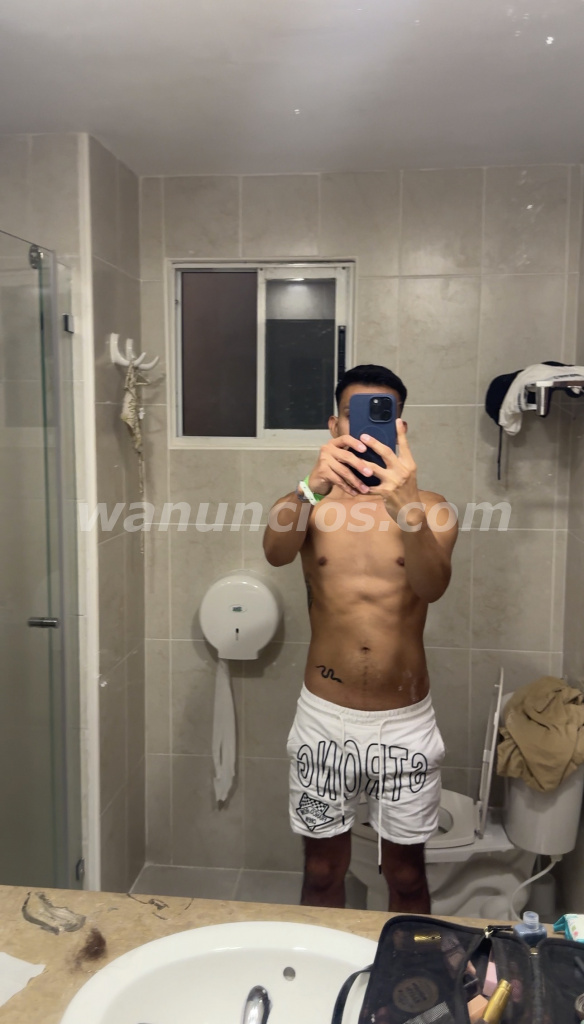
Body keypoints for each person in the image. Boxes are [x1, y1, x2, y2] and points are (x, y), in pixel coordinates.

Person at [262, 364, 458, 912]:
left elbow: (433, 586)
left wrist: (407, 505)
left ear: (400, 428)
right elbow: (275, 551)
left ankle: (404, 968)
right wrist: (310, 487)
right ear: (335, 425)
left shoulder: (431, 506)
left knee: (407, 876)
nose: (367, 427)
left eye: (383, 415)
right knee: (322, 871)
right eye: (354, 413)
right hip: (324, 717)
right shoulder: (309, 505)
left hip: (404, 723)